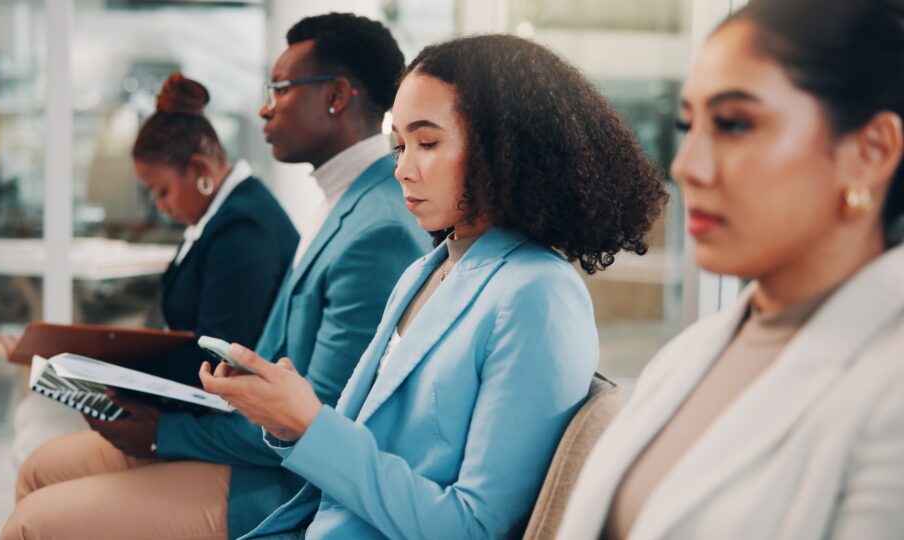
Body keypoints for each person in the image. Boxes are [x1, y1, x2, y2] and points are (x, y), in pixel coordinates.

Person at [199, 34, 668, 539]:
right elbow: (369, 445)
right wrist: (286, 417)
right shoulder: (428, 270)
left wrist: (311, 424)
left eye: (427, 143)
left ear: (506, 148)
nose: (401, 168)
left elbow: (473, 527)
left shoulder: (539, 296)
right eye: (399, 144)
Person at [1, 14, 428, 540]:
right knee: (40, 468)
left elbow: (317, 424)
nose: (264, 107)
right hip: (247, 439)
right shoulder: (340, 202)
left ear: (337, 96)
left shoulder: (375, 230)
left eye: (279, 89)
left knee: (31, 524)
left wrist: (164, 435)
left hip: (281, 485)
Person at [557, 0, 904, 538]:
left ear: (870, 151)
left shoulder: (889, 389)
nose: (686, 166)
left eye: (734, 124)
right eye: (687, 125)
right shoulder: (688, 355)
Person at [131, 72, 298, 386]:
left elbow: (220, 356)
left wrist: (121, 367)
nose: (160, 207)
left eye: (162, 191)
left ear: (199, 170)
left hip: (231, 416)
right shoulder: (221, 216)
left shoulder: (243, 230)